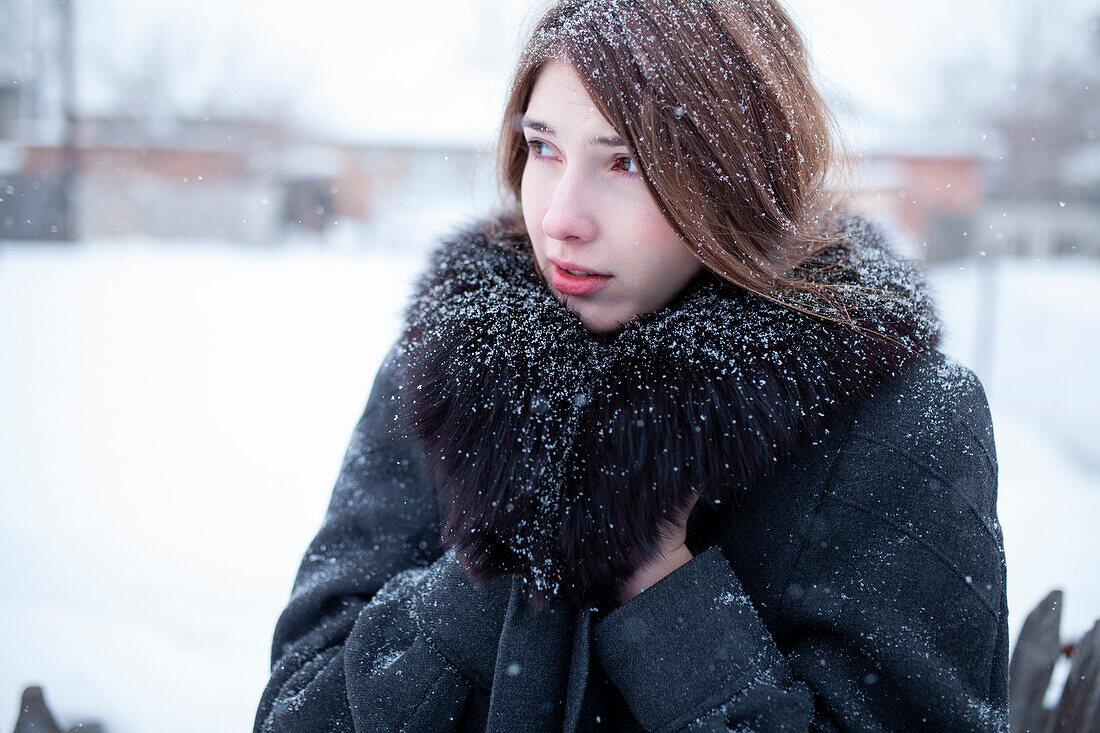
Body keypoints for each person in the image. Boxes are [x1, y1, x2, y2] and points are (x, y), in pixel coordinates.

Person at [254, 0, 1010, 730]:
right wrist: (504, 547)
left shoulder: (902, 423)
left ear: (740, 172)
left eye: (626, 163)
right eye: (544, 147)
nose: (559, 217)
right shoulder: (453, 375)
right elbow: (298, 710)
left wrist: (662, 585)